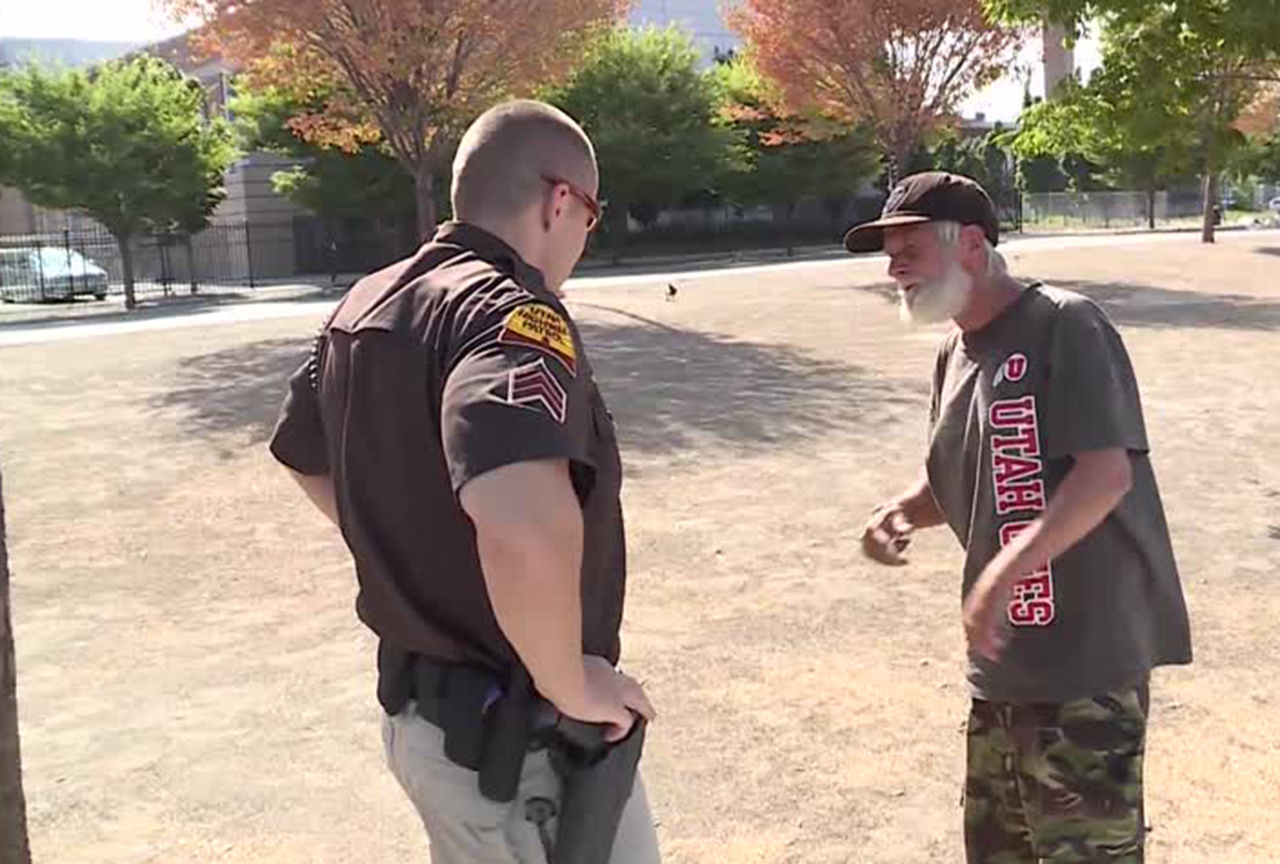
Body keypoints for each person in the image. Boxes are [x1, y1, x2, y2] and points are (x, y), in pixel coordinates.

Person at [268, 99, 660, 864]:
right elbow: (521, 520)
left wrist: (408, 540)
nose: (586, 236)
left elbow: (305, 452)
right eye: (593, 214)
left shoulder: (366, 301)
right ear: (560, 202)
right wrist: (568, 679)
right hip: (518, 744)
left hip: (430, 723)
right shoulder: (511, 315)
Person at [850, 172, 1192, 863]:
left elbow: (1105, 474)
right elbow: (962, 473)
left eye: (908, 248)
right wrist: (906, 511)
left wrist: (1005, 573)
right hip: (1005, 675)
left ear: (972, 245)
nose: (893, 269)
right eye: (888, 253)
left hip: (1085, 671)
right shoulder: (955, 353)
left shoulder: (1066, 325)